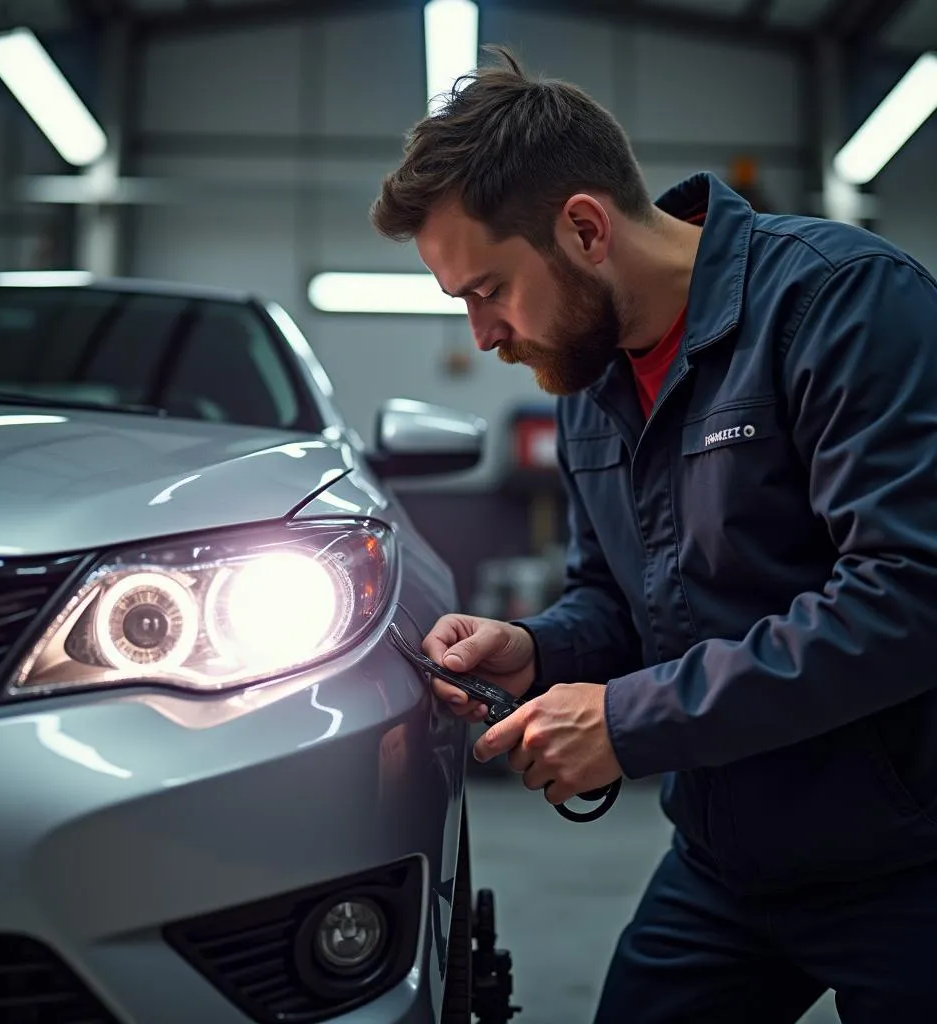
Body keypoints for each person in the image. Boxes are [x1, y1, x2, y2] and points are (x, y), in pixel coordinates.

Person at [369, 45, 937, 1023]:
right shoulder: (590, 383)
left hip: (909, 861)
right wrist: (537, 647)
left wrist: (630, 724)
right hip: (726, 864)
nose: (482, 336)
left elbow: (907, 595)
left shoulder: (837, 304)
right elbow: (621, 603)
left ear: (584, 228)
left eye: (486, 290)